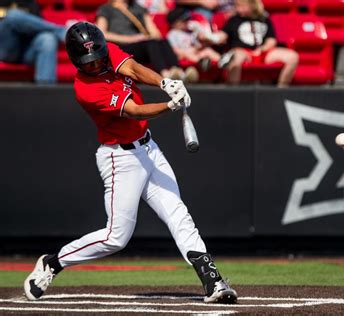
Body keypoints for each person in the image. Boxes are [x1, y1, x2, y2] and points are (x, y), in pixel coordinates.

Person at [23, 21, 238, 304]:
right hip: (120, 158)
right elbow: (134, 111)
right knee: (116, 237)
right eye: (88, 62)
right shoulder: (86, 88)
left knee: (178, 213)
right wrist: (170, 105)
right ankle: (53, 262)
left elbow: (133, 69)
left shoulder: (105, 50)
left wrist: (165, 83)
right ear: (77, 61)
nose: (96, 63)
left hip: (149, 148)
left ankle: (212, 281)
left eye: (98, 57)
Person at [96, 0, 198, 82]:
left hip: (140, 44)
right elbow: (102, 33)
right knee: (151, 43)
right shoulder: (106, 9)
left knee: (162, 41)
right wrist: (132, 38)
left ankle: (178, 72)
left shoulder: (138, 8)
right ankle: (165, 75)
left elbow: (154, 32)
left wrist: (150, 34)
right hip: (120, 46)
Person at [212, 0, 299, 86]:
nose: (239, 9)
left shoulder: (264, 19)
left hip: (262, 52)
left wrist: (263, 49)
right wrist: (210, 37)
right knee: (235, 56)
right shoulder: (234, 20)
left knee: (292, 57)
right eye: (237, 6)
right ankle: (233, 91)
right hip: (242, 52)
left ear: (252, 6)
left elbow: (271, 41)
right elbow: (223, 35)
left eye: (242, 6)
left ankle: (281, 90)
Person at [0, 6, 66, 84]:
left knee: (48, 39)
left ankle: (46, 92)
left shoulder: (29, 3)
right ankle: (63, 32)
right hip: (4, 47)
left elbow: (38, 26)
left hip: (27, 49)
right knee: (13, 15)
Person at [166, 6, 234, 71]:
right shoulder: (172, 34)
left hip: (195, 51)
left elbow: (196, 44)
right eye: (184, 21)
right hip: (183, 54)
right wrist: (186, 52)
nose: (188, 22)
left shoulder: (190, 32)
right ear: (175, 24)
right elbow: (174, 50)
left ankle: (221, 60)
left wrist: (200, 40)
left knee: (207, 50)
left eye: (188, 19)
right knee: (188, 54)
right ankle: (201, 62)